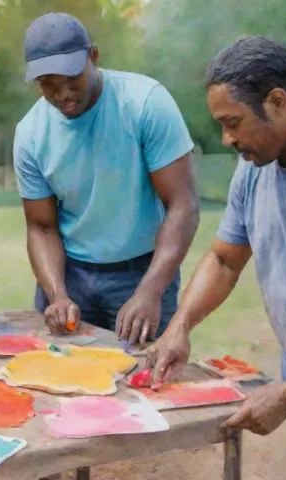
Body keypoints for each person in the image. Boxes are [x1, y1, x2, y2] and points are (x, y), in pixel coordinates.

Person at [147, 36, 286, 480]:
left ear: (278, 101)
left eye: (233, 123)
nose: (227, 139)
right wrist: (180, 325)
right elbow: (226, 259)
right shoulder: (254, 169)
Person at [13, 12, 199, 344]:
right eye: (49, 86)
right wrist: (57, 295)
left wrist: (150, 290)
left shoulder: (145, 103)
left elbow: (182, 205)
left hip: (142, 270)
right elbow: (41, 227)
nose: (63, 95)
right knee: (61, 378)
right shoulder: (30, 134)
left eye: (72, 79)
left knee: (145, 383)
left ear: (93, 56)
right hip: (70, 274)